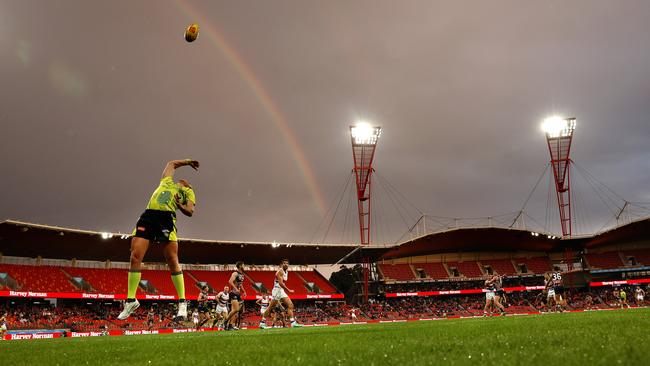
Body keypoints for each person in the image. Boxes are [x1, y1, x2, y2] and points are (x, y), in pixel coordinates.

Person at [118, 159, 199, 321]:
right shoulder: (166, 181)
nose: (183, 179)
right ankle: (131, 300)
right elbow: (171, 164)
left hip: (166, 218)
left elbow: (190, 210)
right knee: (135, 256)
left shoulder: (188, 192)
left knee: (171, 259)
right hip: (149, 215)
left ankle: (182, 302)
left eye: (186, 181)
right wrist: (188, 162)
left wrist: (180, 205)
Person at [260, 259, 302, 328]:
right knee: (270, 307)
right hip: (277, 290)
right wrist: (288, 290)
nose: (286, 264)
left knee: (290, 305)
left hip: (281, 290)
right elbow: (280, 283)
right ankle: (262, 323)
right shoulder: (280, 271)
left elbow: (282, 283)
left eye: (287, 263)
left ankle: (293, 323)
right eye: (284, 263)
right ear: (282, 264)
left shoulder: (286, 271)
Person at [224, 262, 246, 330]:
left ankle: (230, 325)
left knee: (236, 312)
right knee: (236, 309)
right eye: (243, 265)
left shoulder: (242, 274)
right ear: (240, 266)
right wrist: (236, 289)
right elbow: (230, 281)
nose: (244, 266)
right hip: (233, 293)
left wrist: (244, 291)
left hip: (238, 293)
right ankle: (225, 321)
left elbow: (240, 284)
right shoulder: (235, 273)